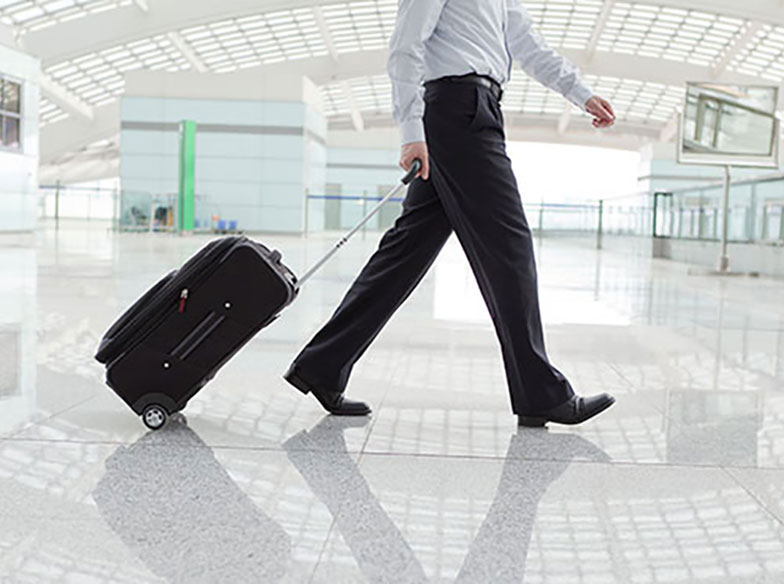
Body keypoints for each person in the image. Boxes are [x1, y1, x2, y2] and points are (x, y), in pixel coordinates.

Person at [284, 0, 617, 427]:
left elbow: (529, 45)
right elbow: (405, 46)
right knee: (509, 247)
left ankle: (322, 365)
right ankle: (540, 393)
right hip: (456, 113)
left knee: (404, 254)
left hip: (478, 110)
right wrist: (411, 132)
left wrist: (582, 94)